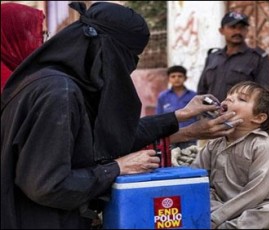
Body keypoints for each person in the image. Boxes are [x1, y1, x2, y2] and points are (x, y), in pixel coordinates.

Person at [0, 2, 242, 229]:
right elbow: (47, 185)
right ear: (110, 51)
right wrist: (117, 168)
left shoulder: (60, 84)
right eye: (129, 57)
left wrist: (179, 116)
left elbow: (108, 136)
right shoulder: (59, 93)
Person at [191, 81, 269, 229]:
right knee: (198, 197)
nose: (228, 99)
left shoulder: (264, 146)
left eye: (241, 99)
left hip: (253, 207)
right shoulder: (215, 143)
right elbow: (195, 177)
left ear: (258, 118)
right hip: (220, 206)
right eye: (228, 96)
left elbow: (257, 192)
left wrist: (216, 218)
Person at [197, 11, 269, 103]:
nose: (237, 31)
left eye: (241, 28)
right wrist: (201, 115)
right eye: (232, 27)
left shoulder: (258, 58)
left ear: (247, 31)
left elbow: (263, 94)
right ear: (221, 31)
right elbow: (202, 90)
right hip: (211, 115)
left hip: (238, 116)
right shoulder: (213, 57)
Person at [1, 2, 46, 94]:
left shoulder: (19, 78)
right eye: (41, 35)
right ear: (13, 38)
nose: (43, 42)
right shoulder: (9, 89)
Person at [156, 65, 198, 149]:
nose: (176, 79)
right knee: (171, 159)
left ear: (185, 78)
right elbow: (159, 117)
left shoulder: (193, 96)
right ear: (168, 79)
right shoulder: (163, 96)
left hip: (190, 135)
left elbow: (198, 115)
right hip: (170, 136)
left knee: (189, 158)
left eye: (180, 76)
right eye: (173, 76)